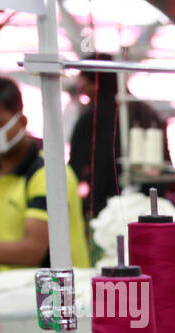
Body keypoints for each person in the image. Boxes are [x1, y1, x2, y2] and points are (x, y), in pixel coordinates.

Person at [0, 74, 89, 271]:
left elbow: (31, 251)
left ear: (21, 121)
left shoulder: (48, 174)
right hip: (13, 291)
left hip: (58, 294)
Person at [68, 55, 164, 219]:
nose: (80, 89)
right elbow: (162, 164)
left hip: (105, 209)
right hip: (152, 206)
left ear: (96, 83)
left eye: (83, 82)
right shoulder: (148, 113)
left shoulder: (90, 119)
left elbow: (73, 171)